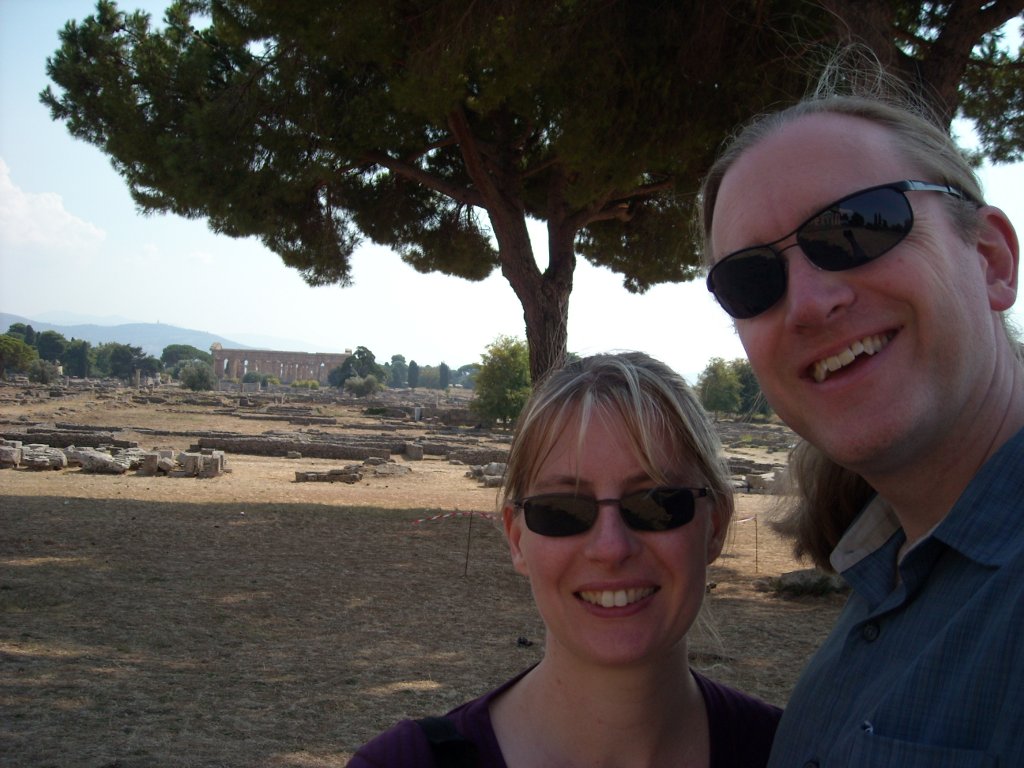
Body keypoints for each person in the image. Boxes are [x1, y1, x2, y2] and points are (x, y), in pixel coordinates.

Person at [699, 55, 1023, 767]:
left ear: (992, 259)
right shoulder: (882, 581)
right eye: (751, 280)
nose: (809, 304)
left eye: (857, 227)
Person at [348, 352, 781, 767]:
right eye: (562, 510)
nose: (610, 548)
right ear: (517, 539)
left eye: (656, 503)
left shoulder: (795, 752)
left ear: (715, 525)